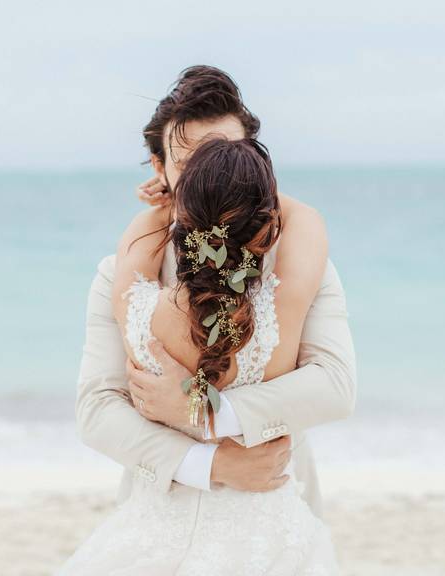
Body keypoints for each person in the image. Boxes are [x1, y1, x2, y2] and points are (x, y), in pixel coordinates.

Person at [64, 67, 356, 571]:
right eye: (190, 158)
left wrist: (201, 410)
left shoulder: (301, 266)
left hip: (272, 509)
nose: (208, 169)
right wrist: (212, 463)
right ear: (160, 168)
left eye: (223, 152)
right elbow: (97, 410)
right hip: (162, 515)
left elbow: (334, 386)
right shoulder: (122, 272)